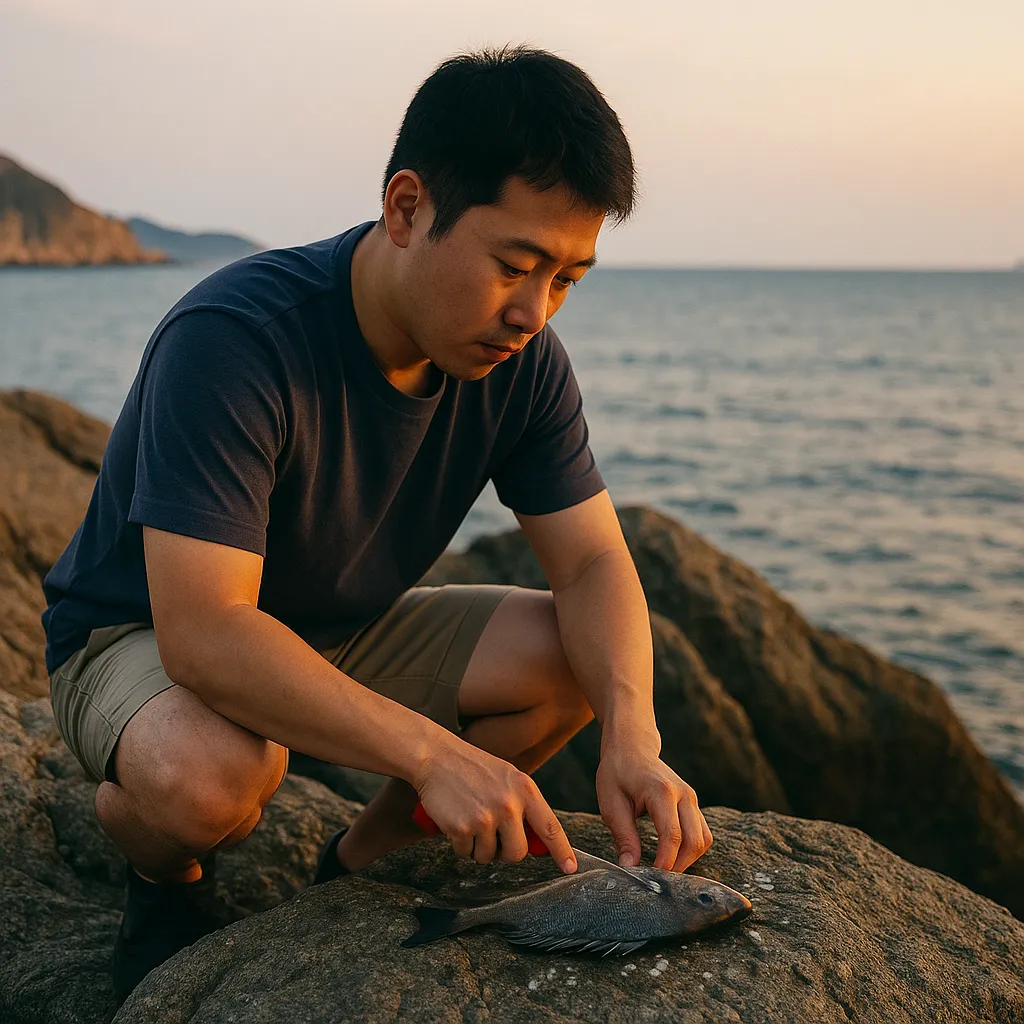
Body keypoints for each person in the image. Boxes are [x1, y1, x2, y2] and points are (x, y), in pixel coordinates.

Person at [41, 45, 713, 1003]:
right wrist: (435, 753)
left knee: (581, 661)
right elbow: (203, 633)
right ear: (407, 209)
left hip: (334, 628)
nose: (534, 311)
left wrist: (632, 736)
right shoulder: (236, 339)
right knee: (211, 778)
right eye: (515, 265)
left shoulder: (523, 361)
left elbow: (595, 560)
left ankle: (362, 866)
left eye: (568, 278)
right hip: (141, 634)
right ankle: (164, 880)